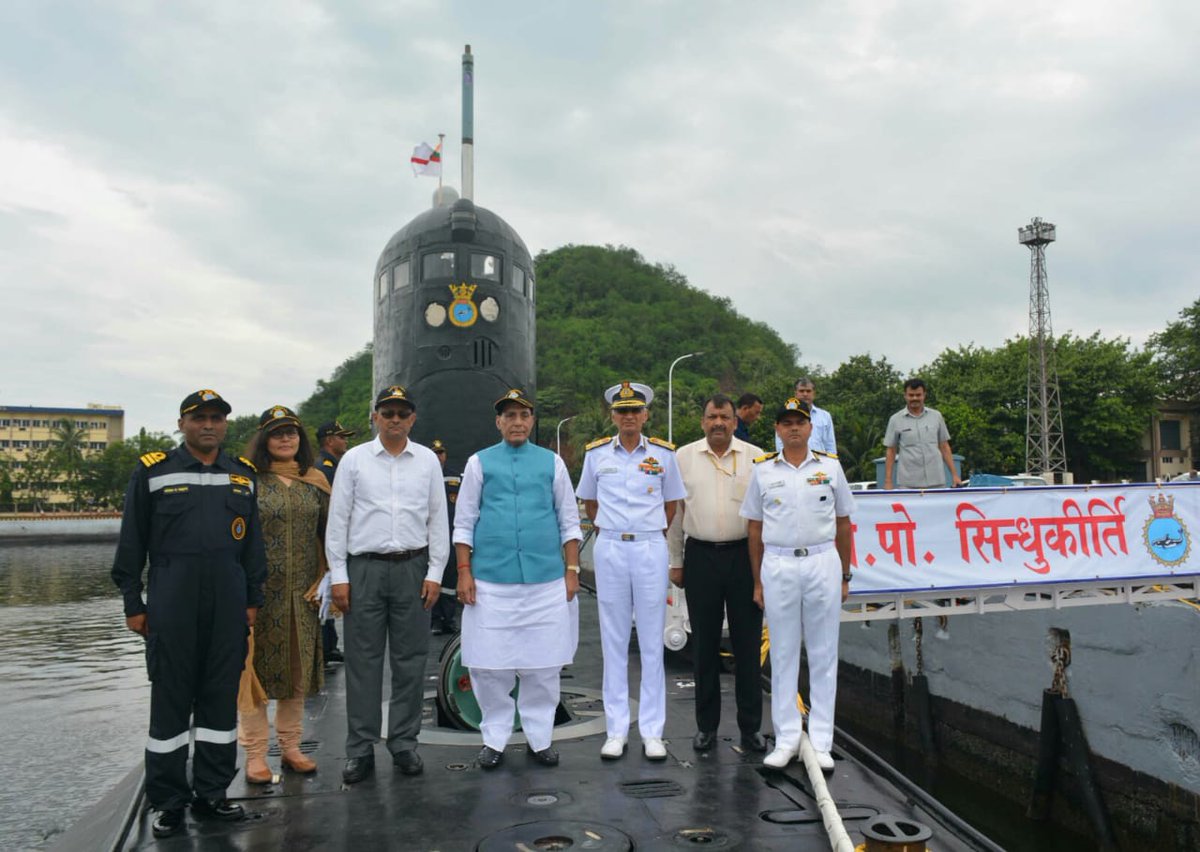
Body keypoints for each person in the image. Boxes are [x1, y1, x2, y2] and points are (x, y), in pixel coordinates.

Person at [110, 389, 266, 838]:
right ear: (182, 424)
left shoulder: (242, 475)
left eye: (216, 418)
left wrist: (252, 599)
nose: (209, 425)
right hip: (171, 602)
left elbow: (252, 546)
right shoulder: (154, 472)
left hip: (227, 603)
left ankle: (212, 793)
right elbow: (131, 542)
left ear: (225, 425)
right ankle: (169, 802)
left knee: (220, 701)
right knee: (171, 705)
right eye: (200, 418)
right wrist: (132, 603)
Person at [325, 385, 448, 784]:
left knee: (410, 660)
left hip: (412, 567)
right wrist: (339, 576)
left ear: (412, 418)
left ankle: (403, 742)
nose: (395, 419)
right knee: (363, 662)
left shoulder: (427, 460)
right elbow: (337, 522)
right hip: (365, 569)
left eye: (402, 413)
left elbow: (437, 520)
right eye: (388, 412)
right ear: (375, 416)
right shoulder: (355, 460)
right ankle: (360, 748)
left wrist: (434, 572)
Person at [454, 389, 583, 768]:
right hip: (491, 581)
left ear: (531, 421)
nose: (517, 422)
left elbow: (569, 520)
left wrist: (571, 570)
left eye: (523, 415)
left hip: (544, 580)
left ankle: (540, 738)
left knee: (542, 666)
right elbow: (464, 521)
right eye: (509, 416)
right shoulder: (479, 463)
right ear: (498, 422)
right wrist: (464, 571)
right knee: (488, 666)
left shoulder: (552, 463)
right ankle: (494, 738)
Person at [740, 398, 855, 772]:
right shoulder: (762, 471)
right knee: (784, 653)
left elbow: (842, 523)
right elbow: (754, 528)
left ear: (810, 428)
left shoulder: (831, 467)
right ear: (776, 428)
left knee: (823, 653)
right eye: (786, 422)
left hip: (822, 560)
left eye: (799, 422)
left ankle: (821, 740)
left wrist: (844, 574)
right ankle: (787, 737)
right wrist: (757, 580)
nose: (793, 428)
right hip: (779, 563)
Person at [576, 381, 686, 761]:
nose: (628, 417)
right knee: (614, 639)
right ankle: (616, 729)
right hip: (610, 547)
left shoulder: (663, 455)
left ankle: (652, 731)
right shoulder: (595, 455)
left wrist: (645, 530)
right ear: (613, 416)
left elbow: (671, 507)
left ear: (645, 415)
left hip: (649, 546)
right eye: (622, 411)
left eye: (634, 411)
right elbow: (590, 503)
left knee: (652, 641)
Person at [667, 393, 766, 754]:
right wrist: (675, 561)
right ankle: (706, 727)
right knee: (704, 646)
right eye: (712, 417)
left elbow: (763, 517)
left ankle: (750, 728)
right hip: (701, 556)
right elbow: (676, 514)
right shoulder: (683, 458)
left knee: (747, 645)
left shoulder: (756, 458)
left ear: (735, 420)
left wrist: (761, 570)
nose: (719, 423)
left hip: (743, 557)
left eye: (725, 417)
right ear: (703, 421)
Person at [237, 406, 330, 783]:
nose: (286, 439)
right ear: (264, 440)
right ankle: (256, 754)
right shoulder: (248, 480)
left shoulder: (316, 480)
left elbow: (331, 533)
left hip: (303, 593)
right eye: (277, 434)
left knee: (297, 673)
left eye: (292, 433)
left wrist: (327, 577)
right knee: (253, 675)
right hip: (259, 595)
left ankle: (291, 747)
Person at [316, 420, 356, 662]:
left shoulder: (334, 465)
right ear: (329, 440)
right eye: (341, 437)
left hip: (332, 538)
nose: (346, 441)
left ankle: (329, 646)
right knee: (325, 595)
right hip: (327, 539)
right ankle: (326, 647)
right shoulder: (325, 468)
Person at [883, 378, 962, 490]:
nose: (915, 398)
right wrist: (888, 481)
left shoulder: (936, 416)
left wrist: (955, 475)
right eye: (911, 395)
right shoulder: (895, 420)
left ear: (924, 395)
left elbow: (944, 446)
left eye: (918, 395)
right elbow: (891, 451)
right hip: (908, 484)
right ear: (905, 396)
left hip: (936, 482)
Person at [430, 439, 462, 635]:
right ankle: (434, 620)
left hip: (450, 534)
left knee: (450, 580)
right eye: (434, 453)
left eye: (440, 452)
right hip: (430, 536)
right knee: (433, 578)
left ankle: (448, 619)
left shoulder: (455, 477)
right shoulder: (422, 474)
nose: (438, 456)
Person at [775, 377, 837, 456]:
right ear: (796, 393)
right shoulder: (785, 415)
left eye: (808, 391)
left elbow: (830, 444)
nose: (805, 394)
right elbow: (780, 444)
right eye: (801, 391)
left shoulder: (825, 416)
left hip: (820, 464)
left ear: (814, 393)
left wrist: (831, 463)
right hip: (793, 462)